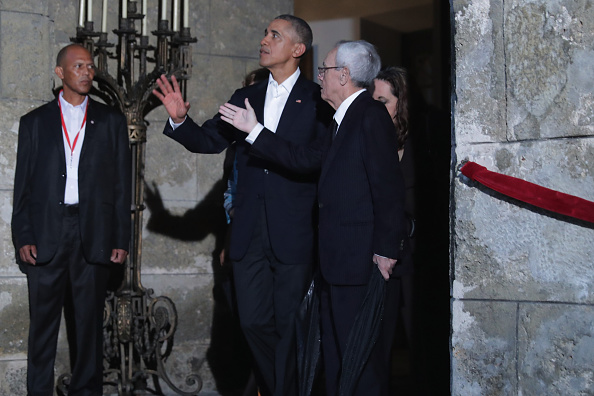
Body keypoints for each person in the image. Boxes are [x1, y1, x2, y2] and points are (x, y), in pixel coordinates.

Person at [152, 15, 332, 396]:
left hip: (294, 235)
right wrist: (180, 121)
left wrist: (256, 133)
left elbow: (309, 160)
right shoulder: (245, 96)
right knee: (251, 324)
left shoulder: (318, 101)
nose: (264, 40)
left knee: (290, 328)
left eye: (275, 35)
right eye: (265, 33)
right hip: (248, 234)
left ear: (297, 50)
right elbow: (209, 140)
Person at [219, 40, 407, 396]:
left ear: (344, 76)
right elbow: (301, 158)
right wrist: (254, 129)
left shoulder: (369, 114)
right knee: (336, 359)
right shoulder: (340, 119)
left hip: (359, 261)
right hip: (336, 262)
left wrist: (386, 249)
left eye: (325, 69)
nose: (319, 76)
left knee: (360, 361)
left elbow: (388, 188)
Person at [11, 44, 131, 396]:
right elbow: (23, 188)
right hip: (48, 233)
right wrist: (23, 236)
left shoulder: (112, 121)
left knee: (89, 328)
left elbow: (122, 187)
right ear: (60, 73)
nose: (87, 72)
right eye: (78, 66)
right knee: (42, 329)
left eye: (90, 67)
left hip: (93, 234)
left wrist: (120, 239)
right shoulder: (34, 122)